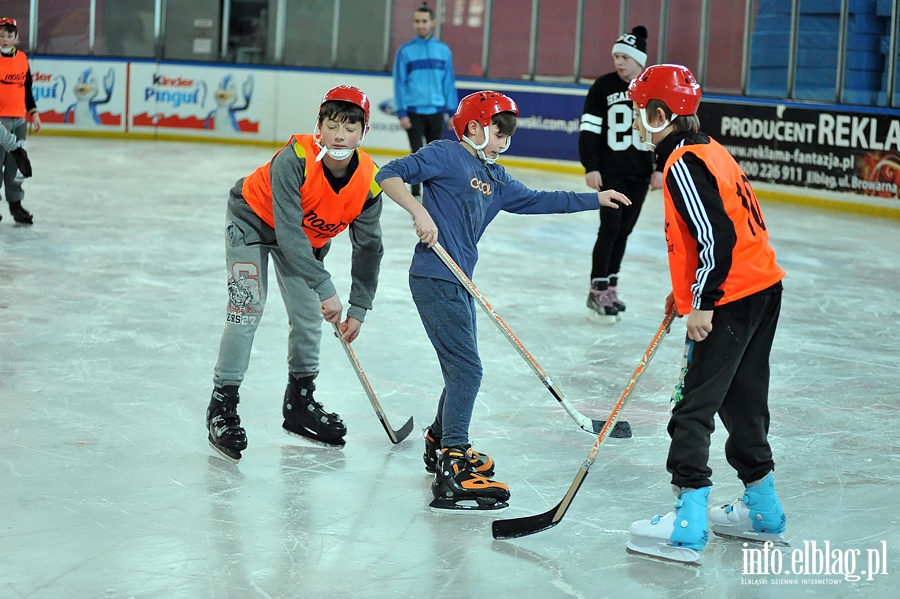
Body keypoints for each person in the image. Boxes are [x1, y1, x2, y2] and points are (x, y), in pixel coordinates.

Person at [376, 90, 631, 511]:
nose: (502, 143)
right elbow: (388, 173)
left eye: (507, 137)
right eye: (498, 133)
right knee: (468, 369)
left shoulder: (495, 178)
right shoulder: (444, 154)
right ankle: (454, 462)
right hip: (434, 276)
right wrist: (418, 212)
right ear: (474, 126)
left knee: (462, 367)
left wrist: (593, 200)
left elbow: (537, 200)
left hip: (459, 281)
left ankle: (440, 440)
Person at [623, 65, 787, 564]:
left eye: (637, 111)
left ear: (659, 114)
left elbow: (718, 235)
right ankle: (763, 513)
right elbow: (709, 237)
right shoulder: (709, 150)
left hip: (732, 296)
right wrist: (687, 291)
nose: (633, 120)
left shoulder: (682, 163)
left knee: (691, 406)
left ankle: (686, 525)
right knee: (742, 402)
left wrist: (705, 300)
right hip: (761, 286)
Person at [206, 85, 385, 462]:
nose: (340, 135)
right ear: (318, 125)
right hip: (252, 223)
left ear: (364, 133)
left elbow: (368, 247)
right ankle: (223, 405)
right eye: (332, 125)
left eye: (351, 128)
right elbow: (288, 231)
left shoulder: (369, 181)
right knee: (246, 311)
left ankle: (300, 403)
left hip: (305, 244)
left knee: (308, 319)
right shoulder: (296, 159)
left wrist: (359, 307)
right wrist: (325, 285)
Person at [579, 25, 663, 323]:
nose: (619, 61)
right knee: (610, 229)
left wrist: (661, 168)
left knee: (624, 231)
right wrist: (591, 166)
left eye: (625, 57)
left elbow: (662, 131)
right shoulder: (602, 86)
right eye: (616, 56)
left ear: (640, 60)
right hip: (611, 173)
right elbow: (588, 130)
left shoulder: (652, 88)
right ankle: (597, 288)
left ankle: (611, 286)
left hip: (640, 174)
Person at [392, 3, 457, 198]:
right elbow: (399, 83)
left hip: (436, 111)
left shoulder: (443, 51)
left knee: (435, 154)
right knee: (416, 152)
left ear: (433, 23)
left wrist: (452, 112)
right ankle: (415, 192)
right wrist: (402, 112)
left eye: (424, 21)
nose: (420, 25)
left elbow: (448, 82)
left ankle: (433, 191)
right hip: (413, 111)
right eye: (417, 21)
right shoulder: (405, 51)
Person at [0, 17, 41, 225]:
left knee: (16, 165)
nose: (4, 39)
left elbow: (27, 89)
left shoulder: (23, 59)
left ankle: (16, 205)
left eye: (9, 35)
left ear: (16, 38)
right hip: (0, 122)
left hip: (19, 120)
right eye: (1, 36)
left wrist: (33, 112)